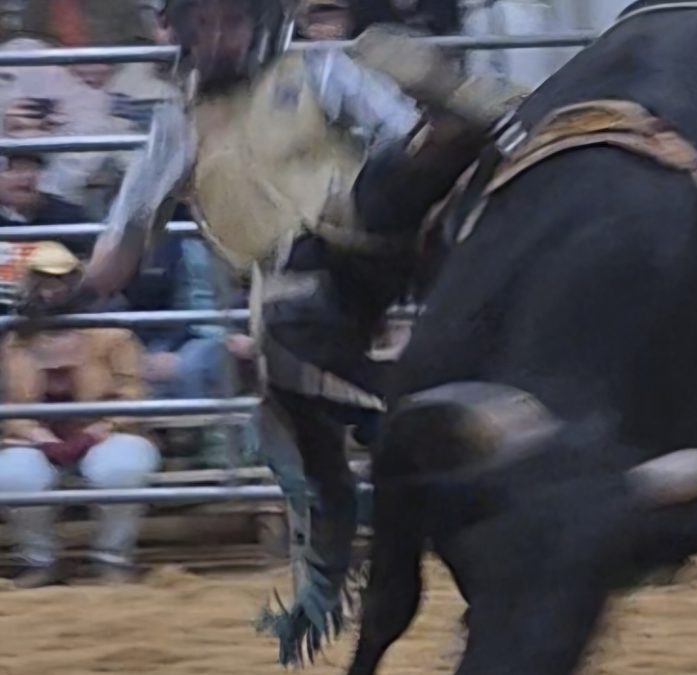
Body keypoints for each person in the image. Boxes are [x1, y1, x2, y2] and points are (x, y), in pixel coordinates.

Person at [24, 0, 522, 661]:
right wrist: (69, 297)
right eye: (204, 25)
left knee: (400, 157)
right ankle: (475, 560)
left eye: (231, 22)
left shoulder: (318, 70)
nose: (219, 37)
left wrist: (438, 137)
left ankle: (493, 119)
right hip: (293, 293)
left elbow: (401, 137)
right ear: (184, 33)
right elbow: (125, 243)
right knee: (385, 448)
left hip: (365, 236)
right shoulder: (177, 126)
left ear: (257, 24)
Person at [0, 241, 161, 588]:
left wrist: (101, 428)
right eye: (43, 280)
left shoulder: (113, 335)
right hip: (33, 436)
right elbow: (6, 403)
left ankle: (112, 558)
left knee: (122, 468)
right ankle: (39, 559)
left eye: (62, 279)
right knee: (13, 475)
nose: (53, 289)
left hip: (106, 430)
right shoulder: (11, 342)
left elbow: (134, 393)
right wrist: (32, 433)